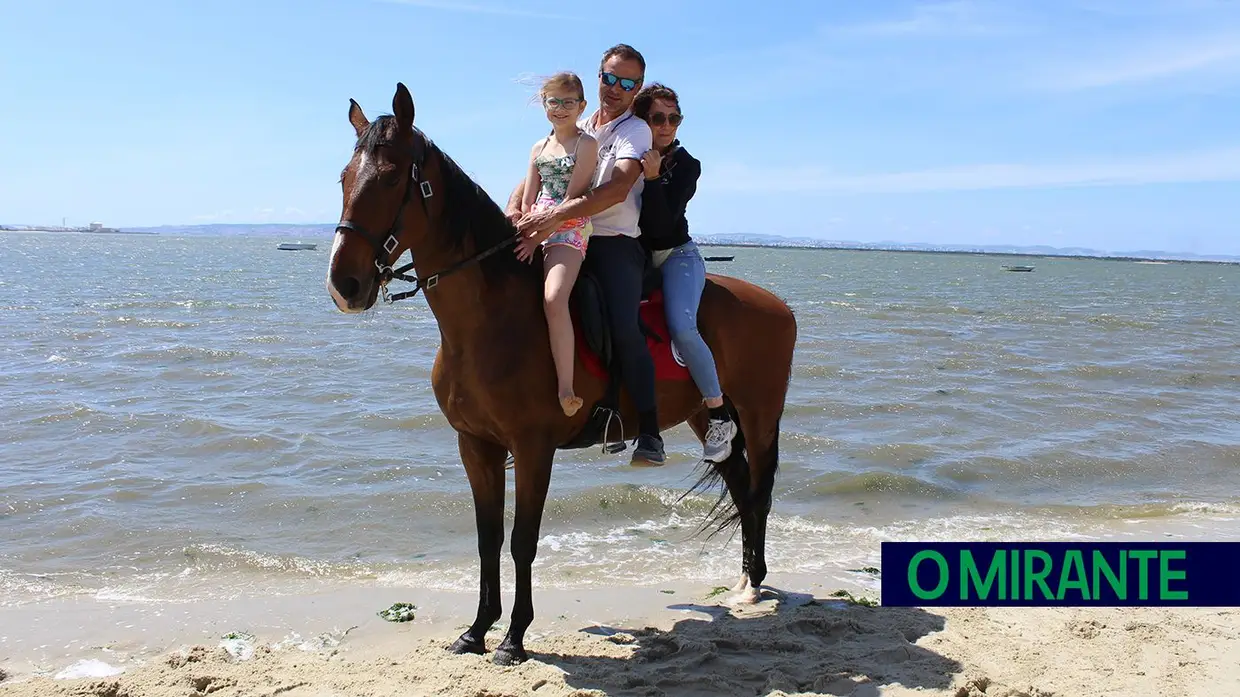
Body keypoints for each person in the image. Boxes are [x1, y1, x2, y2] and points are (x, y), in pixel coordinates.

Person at [508, 44, 665, 466]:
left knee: (622, 323)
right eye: (610, 78)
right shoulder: (575, 119)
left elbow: (614, 189)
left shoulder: (635, 131)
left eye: (628, 83)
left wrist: (552, 218)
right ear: (598, 77)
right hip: (555, 229)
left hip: (613, 239)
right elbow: (538, 176)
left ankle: (647, 429)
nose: (616, 88)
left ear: (637, 88)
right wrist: (514, 210)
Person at [632, 83, 738, 463]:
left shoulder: (686, 164)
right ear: (642, 119)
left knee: (681, 326)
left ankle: (719, 414)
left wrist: (654, 178)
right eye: (658, 118)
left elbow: (662, 224)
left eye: (673, 118)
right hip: (636, 256)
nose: (666, 125)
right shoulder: (626, 154)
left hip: (677, 254)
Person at [514, 72, 598, 418]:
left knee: (553, 297)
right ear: (544, 105)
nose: (560, 109)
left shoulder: (586, 145)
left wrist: (536, 237)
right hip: (535, 224)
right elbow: (528, 197)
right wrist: (519, 224)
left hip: (568, 227)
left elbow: (573, 199)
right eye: (554, 102)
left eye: (568, 102)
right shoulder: (539, 147)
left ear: (581, 106)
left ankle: (566, 387)